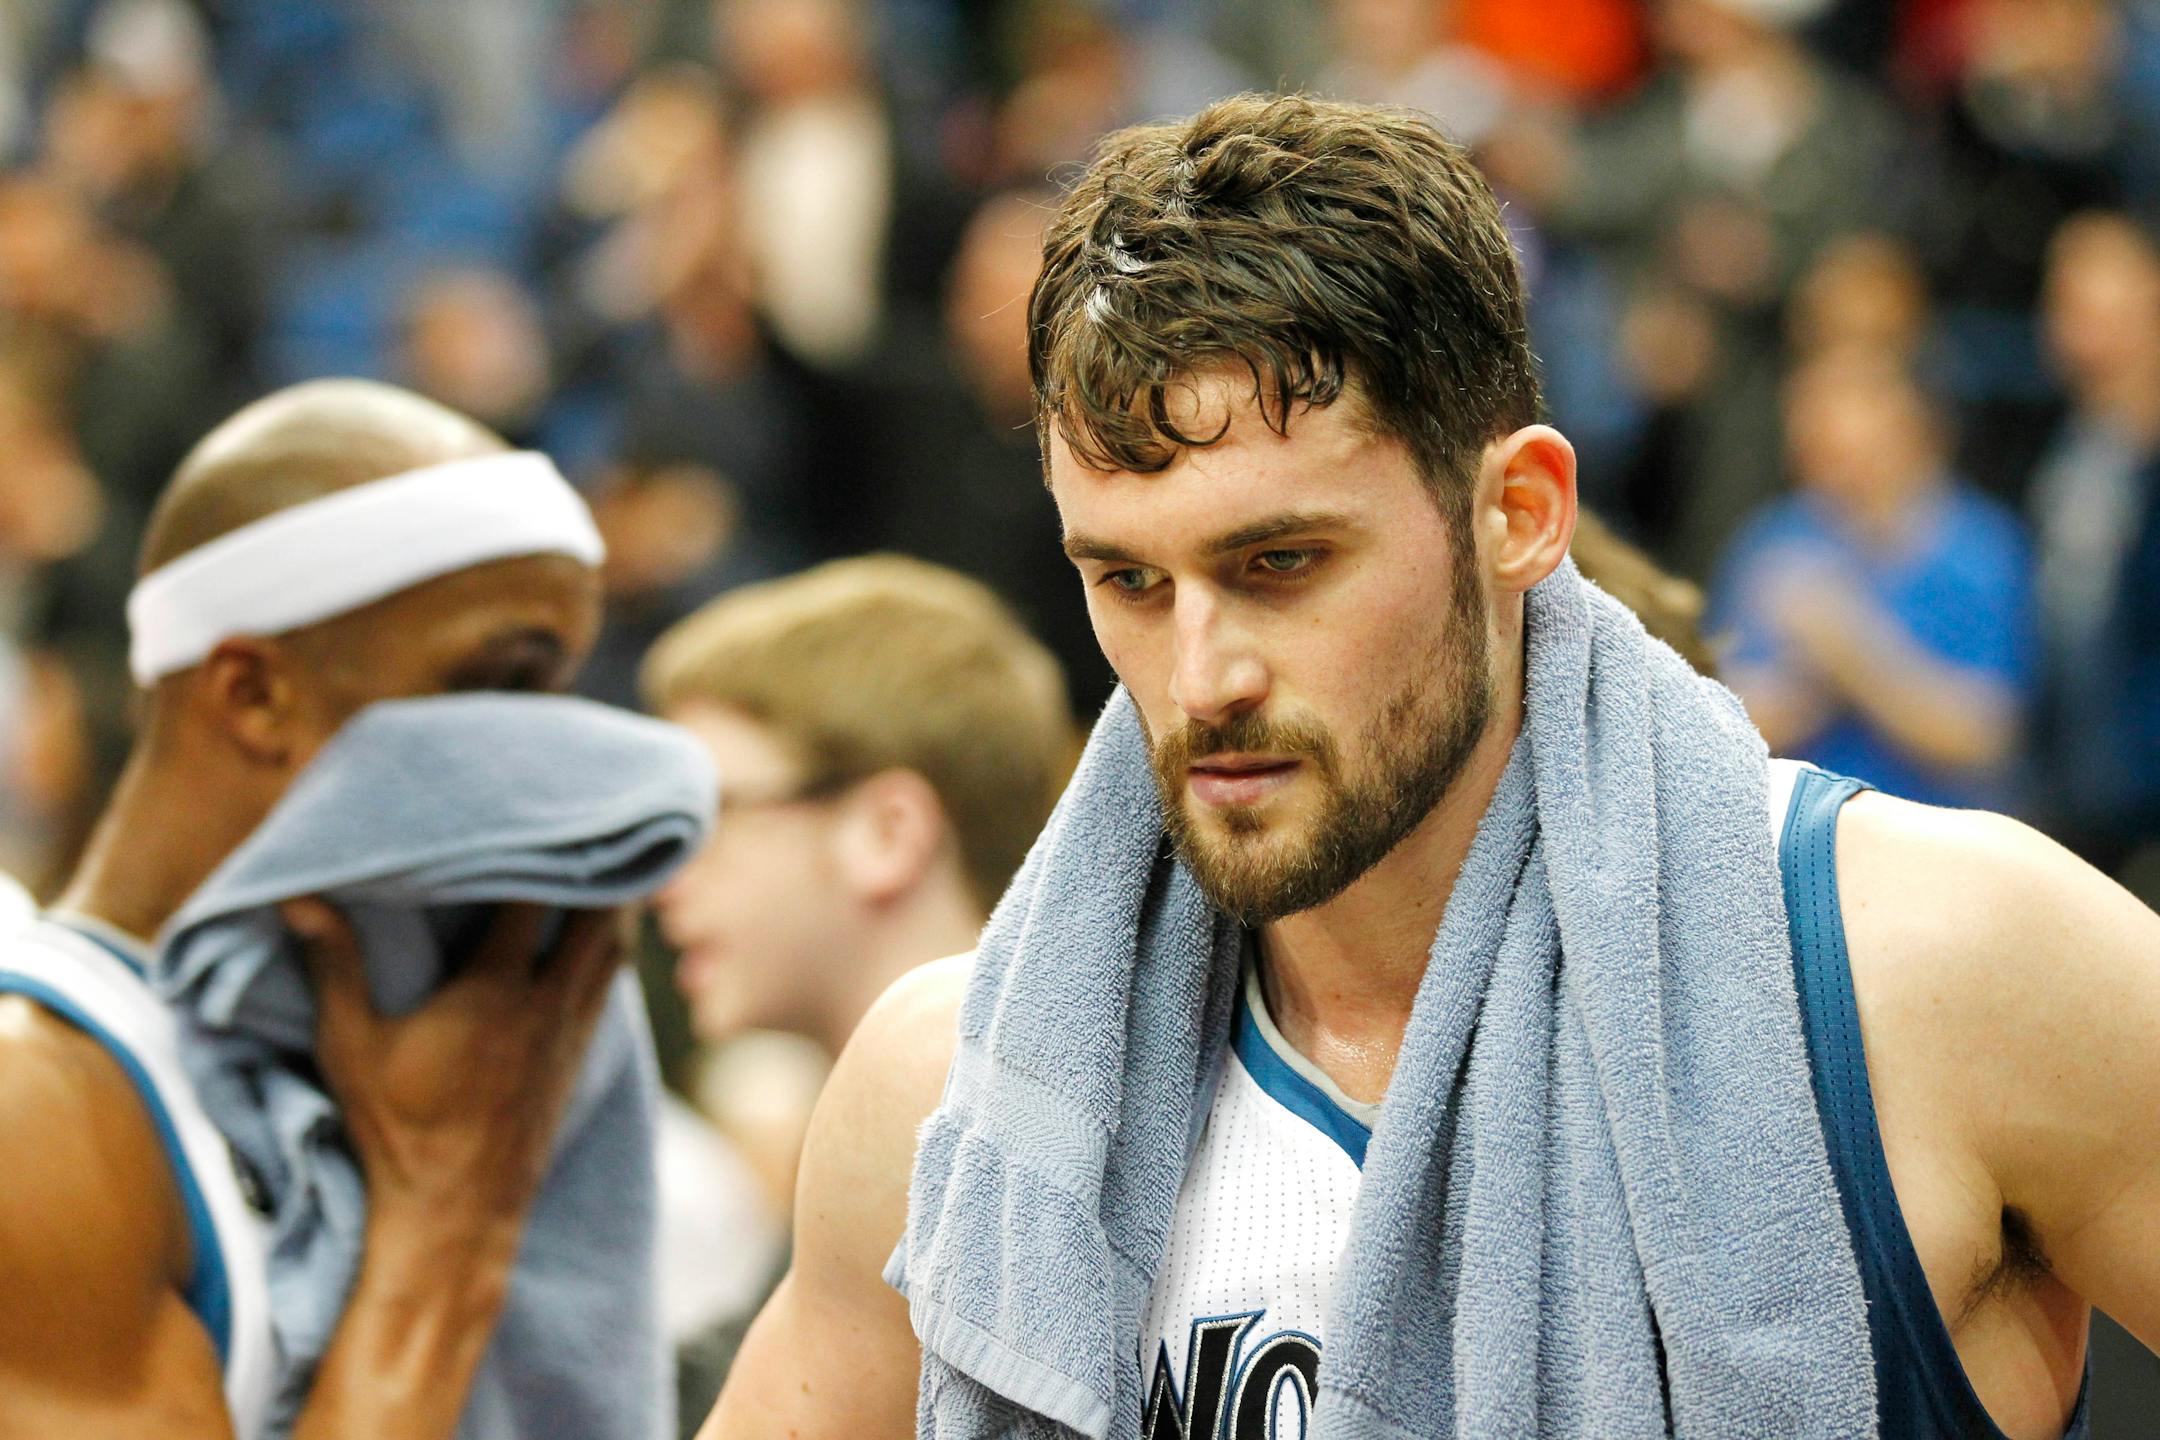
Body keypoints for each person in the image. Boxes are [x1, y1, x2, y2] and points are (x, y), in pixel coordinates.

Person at [702, 95, 2160, 1440]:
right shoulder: (949, 1093)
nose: (1201, 678)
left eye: (1280, 563)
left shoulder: (1954, 968)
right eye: (1129, 584)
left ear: (1520, 512)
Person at [0, 378, 630, 1436]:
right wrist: (446, 1222)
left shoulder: (413, 1045)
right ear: (254, 695)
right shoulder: (34, 1111)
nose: (549, 758)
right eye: (502, 680)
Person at [643, 554, 1075, 1426]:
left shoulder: (1001, 1155)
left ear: (887, 832)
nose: (666, 882)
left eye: (711, 816)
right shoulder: (900, 1131)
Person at [1710, 344, 2037, 810]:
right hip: (1796, 835)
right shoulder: (1771, 542)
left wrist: (1850, 653)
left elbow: (1984, 737)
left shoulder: (1980, 549)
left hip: (1937, 837)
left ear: (1914, 428)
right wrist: (1795, 696)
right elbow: (1717, 714)